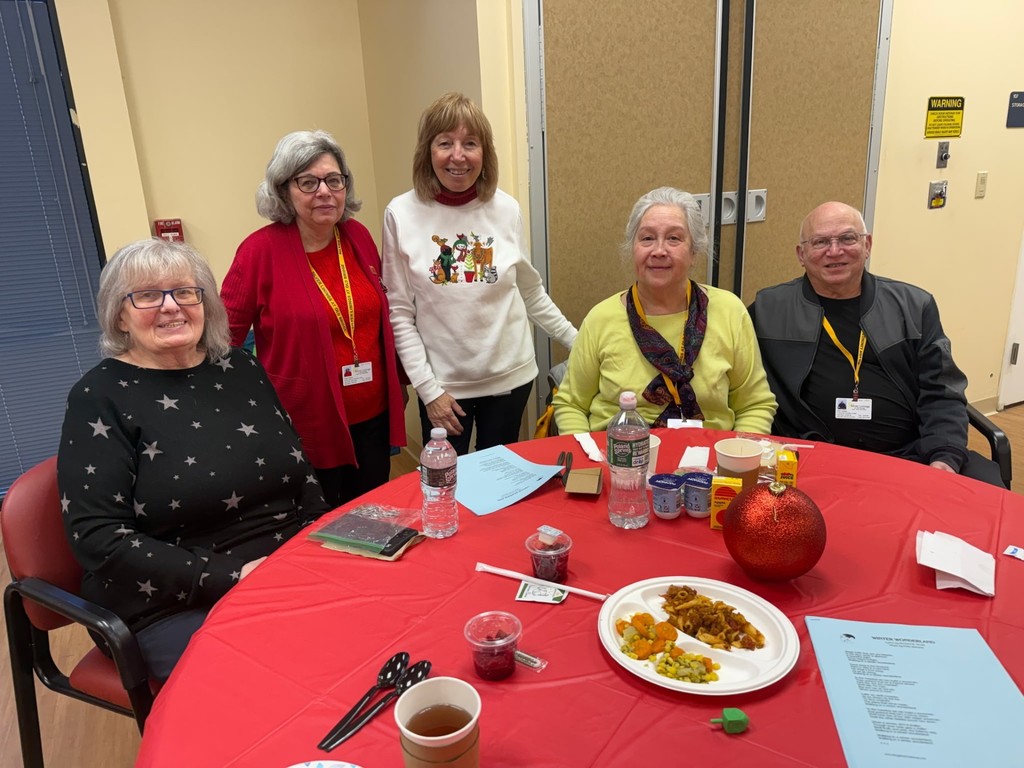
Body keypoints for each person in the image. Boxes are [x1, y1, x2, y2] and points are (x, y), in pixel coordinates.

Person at [57, 239, 327, 681]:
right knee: (289, 674)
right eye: (146, 295)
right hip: (170, 599)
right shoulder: (99, 397)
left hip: (282, 567)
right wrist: (231, 576)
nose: (171, 307)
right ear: (119, 314)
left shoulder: (239, 367)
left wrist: (319, 542)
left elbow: (299, 471)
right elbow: (97, 537)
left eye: (186, 291)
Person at [748, 200, 1003, 486]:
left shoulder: (914, 307)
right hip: (811, 459)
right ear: (801, 254)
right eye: (820, 242)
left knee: (988, 501)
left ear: (867, 245)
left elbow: (942, 393)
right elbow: (740, 386)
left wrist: (943, 457)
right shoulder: (768, 310)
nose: (835, 251)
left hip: (906, 457)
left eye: (847, 238)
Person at [382, 92, 577, 454]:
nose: (458, 156)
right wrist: (429, 390)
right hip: (443, 388)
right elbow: (399, 312)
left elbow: (530, 291)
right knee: (446, 489)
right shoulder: (401, 214)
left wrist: (580, 344)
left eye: (470, 143)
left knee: (501, 486)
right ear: (428, 151)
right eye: (445, 143)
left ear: (484, 152)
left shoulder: (505, 209)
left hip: (510, 379)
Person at [223, 130, 407, 506]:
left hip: (373, 416)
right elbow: (222, 339)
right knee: (320, 528)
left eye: (334, 180)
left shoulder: (357, 236)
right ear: (284, 190)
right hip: (305, 425)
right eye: (308, 182)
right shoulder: (259, 252)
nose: (324, 191)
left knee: (372, 518)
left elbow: (379, 319)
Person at [553, 186, 777, 434]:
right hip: (620, 460)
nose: (659, 251)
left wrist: (735, 459)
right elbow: (570, 405)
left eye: (674, 238)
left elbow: (754, 405)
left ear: (694, 252)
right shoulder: (601, 318)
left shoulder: (729, 312)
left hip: (710, 463)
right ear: (633, 248)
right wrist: (591, 461)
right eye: (647, 238)